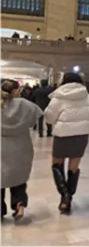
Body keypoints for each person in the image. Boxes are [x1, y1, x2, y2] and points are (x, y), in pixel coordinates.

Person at [43, 73, 89, 214]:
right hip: (81, 134)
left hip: (63, 134)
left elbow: (49, 117)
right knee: (74, 166)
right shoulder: (86, 95)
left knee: (56, 164)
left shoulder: (59, 96)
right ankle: (68, 197)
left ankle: (65, 196)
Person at [1, 80, 43, 222]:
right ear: (15, 91)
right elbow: (35, 120)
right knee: (18, 178)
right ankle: (19, 204)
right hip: (21, 146)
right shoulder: (26, 105)